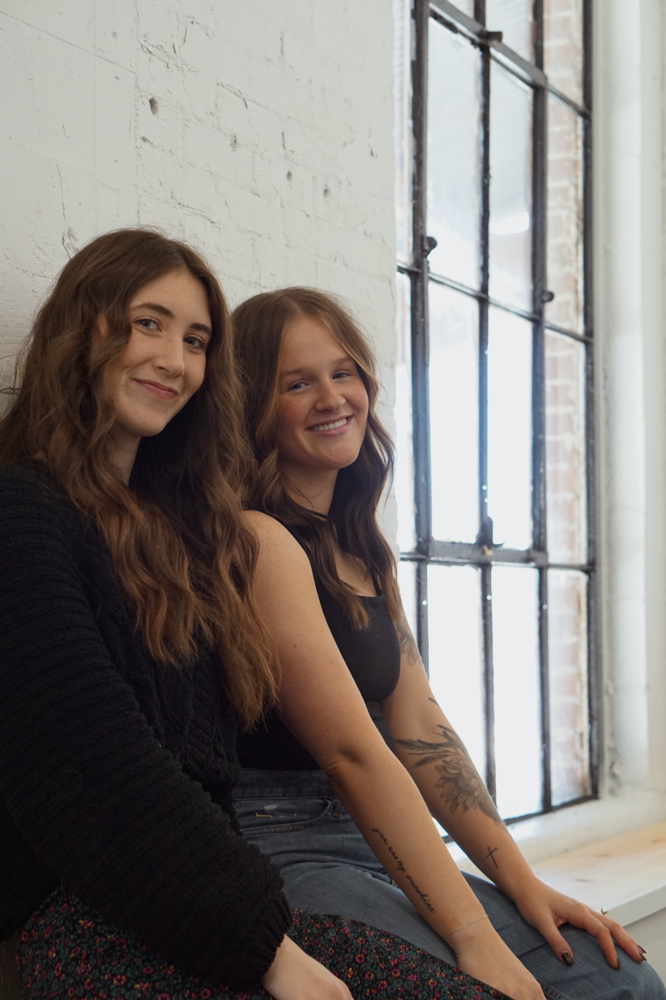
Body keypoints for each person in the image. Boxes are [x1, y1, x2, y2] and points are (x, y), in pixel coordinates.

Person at [0, 231, 507, 1000]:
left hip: (209, 893)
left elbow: (206, 775)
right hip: (92, 919)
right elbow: (96, 768)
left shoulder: (168, 540)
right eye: (149, 323)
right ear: (85, 326)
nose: (175, 359)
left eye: (196, 339)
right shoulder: (22, 511)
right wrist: (269, 951)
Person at [232, 286, 665, 1000]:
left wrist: (525, 887)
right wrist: (472, 937)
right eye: (297, 383)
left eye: (344, 373)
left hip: (370, 835)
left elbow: (420, 726)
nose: (332, 398)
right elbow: (350, 754)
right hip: (282, 843)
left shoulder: (363, 548)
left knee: (621, 981)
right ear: (253, 406)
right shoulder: (257, 540)